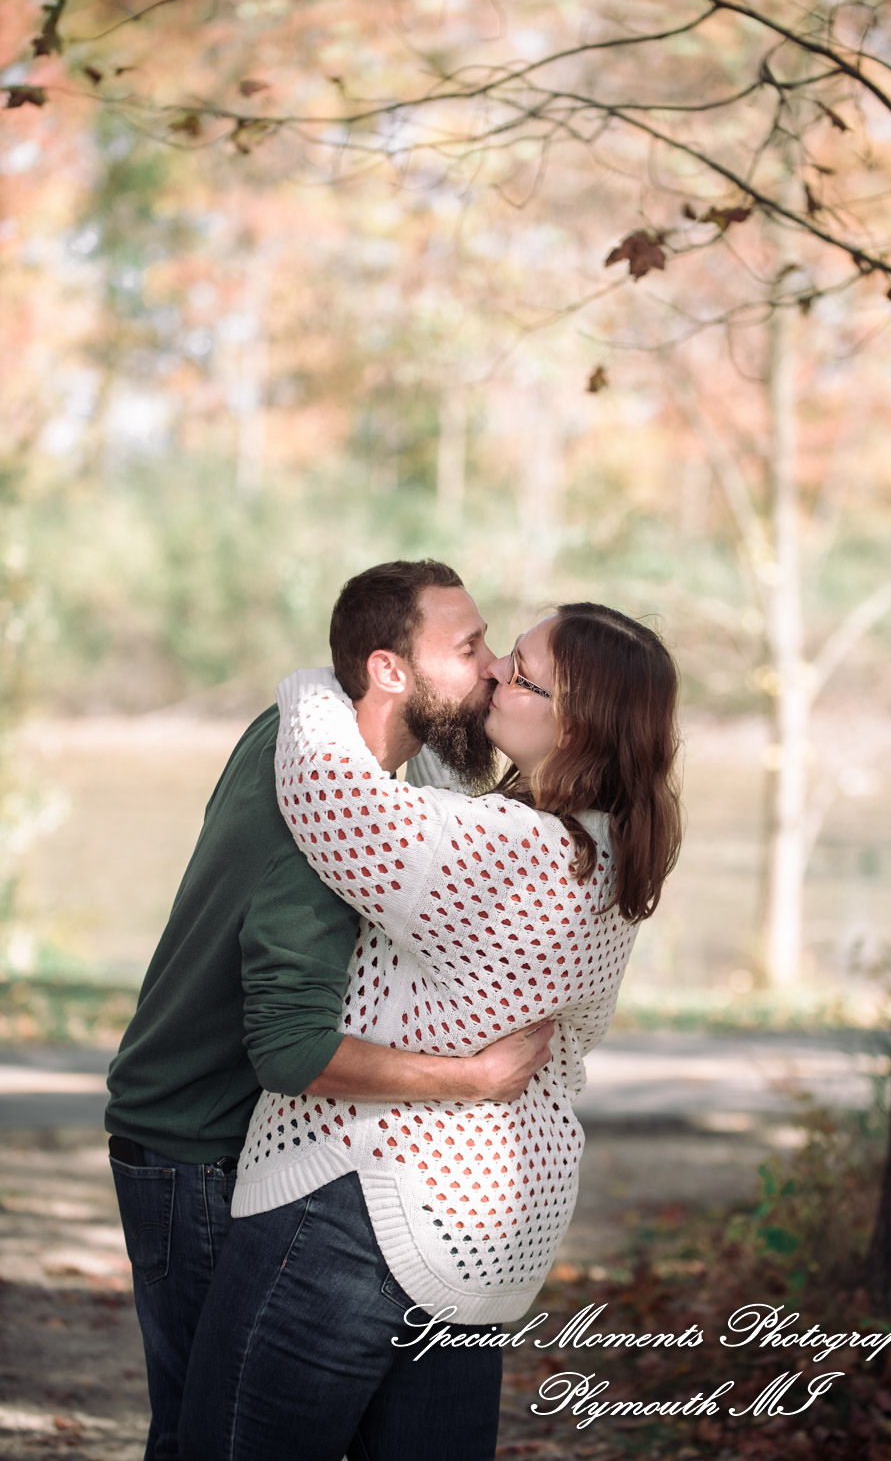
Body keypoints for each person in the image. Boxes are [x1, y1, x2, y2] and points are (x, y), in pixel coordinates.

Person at [179, 601, 683, 1461]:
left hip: (361, 1204)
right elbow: (449, 814)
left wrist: (320, 682)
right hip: (487, 1232)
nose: (493, 673)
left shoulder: (511, 853)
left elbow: (336, 799)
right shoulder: (599, 855)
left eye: (519, 673)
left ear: (577, 727)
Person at [105, 559, 554, 1461]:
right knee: (207, 1433)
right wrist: (470, 1079)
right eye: (468, 649)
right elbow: (293, 1048)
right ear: (389, 671)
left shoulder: (362, 753)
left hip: (250, 1132)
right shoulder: (317, 826)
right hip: (201, 1137)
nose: (492, 670)